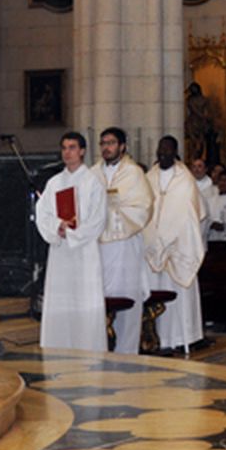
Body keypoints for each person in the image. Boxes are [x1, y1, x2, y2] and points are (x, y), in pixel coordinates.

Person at [36, 131, 108, 351]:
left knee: (84, 299)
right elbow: (42, 213)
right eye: (64, 148)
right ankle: (58, 348)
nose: (67, 152)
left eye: (72, 148)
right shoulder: (54, 182)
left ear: (82, 151)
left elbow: (98, 219)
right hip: (60, 252)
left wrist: (74, 232)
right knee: (60, 300)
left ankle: (88, 348)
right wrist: (58, 226)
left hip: (85, 251)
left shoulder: (93, 182)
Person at [92, 127, 153, 353]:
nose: (106, 148)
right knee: (100, 299)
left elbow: (143, 207)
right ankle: (102, 349)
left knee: (127, 298)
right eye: (103, 143)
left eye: (111, 143)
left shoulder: (134, 173)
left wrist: (113, 213)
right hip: (99, 246)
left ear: (122, 146)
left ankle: (127, 352)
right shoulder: (93, 173)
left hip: (125, 246)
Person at [143, 136, 206, 352]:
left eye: (167, 150)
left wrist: (170, 237)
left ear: (175, 152)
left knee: (177, 292)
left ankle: (181, 338)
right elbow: (144, 209)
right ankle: (155, 339)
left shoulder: (185, 179)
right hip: (153, 246)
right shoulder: (149, 178)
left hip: (178, 247)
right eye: (160, 150)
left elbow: (189, 215)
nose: (163, 154)